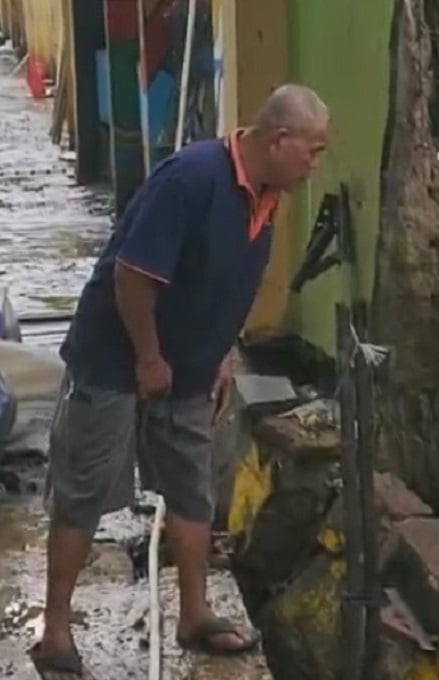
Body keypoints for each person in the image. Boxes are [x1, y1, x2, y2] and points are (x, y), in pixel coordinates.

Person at [29, 84, 329, 680]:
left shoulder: (266, 196)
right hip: (117, 356)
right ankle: (55, 627)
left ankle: (195, 614)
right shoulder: (190, 181)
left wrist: (219, 355)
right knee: (84, 490)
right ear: (279, 139)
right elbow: (133, 278)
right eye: (313, 150)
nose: (315, 164)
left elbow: (228, 284)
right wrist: (147, 359)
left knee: (192, 488)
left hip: (190, 363)